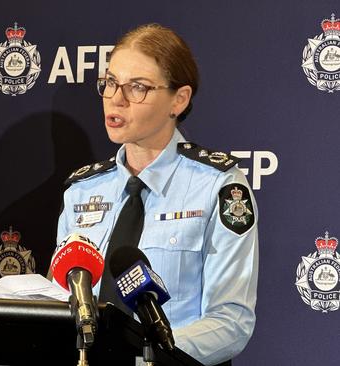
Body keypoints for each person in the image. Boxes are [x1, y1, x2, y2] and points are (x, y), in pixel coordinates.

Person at [56, 24, 258, 365]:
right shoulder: (81, 191)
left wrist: (143, 357)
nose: (116, 99)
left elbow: (231, 322)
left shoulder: (219, 186)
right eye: (110, 83)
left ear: (179, 99)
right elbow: (63, 301)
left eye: (138, 88)